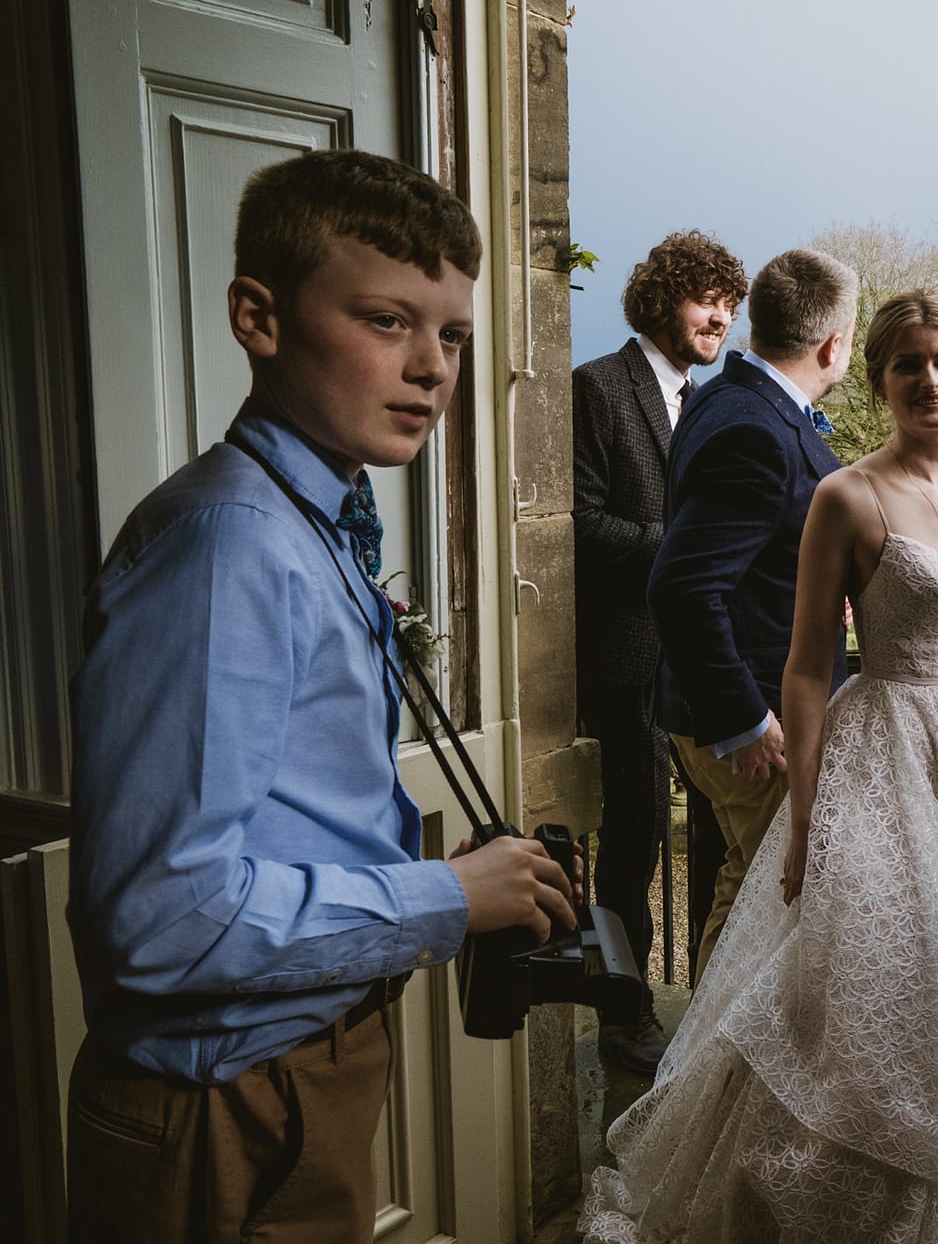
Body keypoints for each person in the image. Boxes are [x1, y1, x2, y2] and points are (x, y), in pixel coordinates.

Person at [64, 148, 580, 1244]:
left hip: (295, 1070)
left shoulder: (318, 514)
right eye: (387, 321)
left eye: (453, 336)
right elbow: (163, 920)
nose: (432, 368)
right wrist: (447, 896)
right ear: (258, 317)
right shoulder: (229, 547)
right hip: (223, 1105)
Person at [577, 290, 938, 1242]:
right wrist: (806, 818)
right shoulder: (845, 496)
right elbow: (804, 667)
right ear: (877, 380)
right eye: (908, 364)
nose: (930, 379)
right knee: (876, 976)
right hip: (882, 750)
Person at [648, 247, 856, 986]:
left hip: (730, 704)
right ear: (833, 345)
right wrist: (745, 719)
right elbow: (682, 587)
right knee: (766, 905)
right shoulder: (757, 431)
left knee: (750, 891)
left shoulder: (724, 397)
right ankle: (714, 1057)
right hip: (753, 713)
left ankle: (710, 1054)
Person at [573, 229, 748, 1070]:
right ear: (659, 299)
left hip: (704, 664)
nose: (719, 318)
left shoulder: (711, 404)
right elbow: (576, 524)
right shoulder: (598, 388)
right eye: (705, 299)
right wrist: (682, 548)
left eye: (728, 305)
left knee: (721, 840)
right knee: (631, 845)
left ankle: (711, 1010)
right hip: (629, 661)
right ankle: (623, 1016)